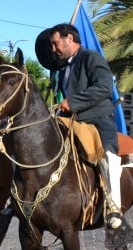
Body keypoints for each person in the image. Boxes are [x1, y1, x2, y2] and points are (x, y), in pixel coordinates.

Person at [43, 24, 125, 228]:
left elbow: (104, 88)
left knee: (108, 157)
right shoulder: (63, 67)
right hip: (71, 120)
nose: (54, 49)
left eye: (56, 43)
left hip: (97, 119)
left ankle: (114, 208)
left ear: (69, 38)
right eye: (52, 45)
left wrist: (73, 102)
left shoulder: (91, 57)